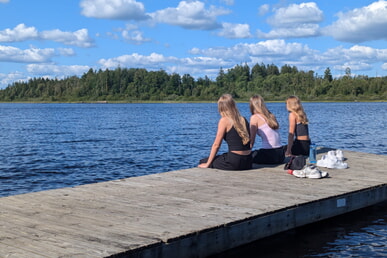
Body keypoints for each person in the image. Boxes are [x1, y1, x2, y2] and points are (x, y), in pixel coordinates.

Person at [198, 94, 252, 170]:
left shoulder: (224, 120)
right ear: (233, 105)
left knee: (203, 161)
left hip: (235, 162)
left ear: (221, 107)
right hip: (248, 161)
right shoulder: (243, 119)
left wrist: (207, 164)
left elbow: (216, 145)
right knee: (221, 157)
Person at [249, 95, 285, 164]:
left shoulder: (254, 118)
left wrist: (246, 154)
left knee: (251, 155)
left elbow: (252, 140)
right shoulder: (271, 116)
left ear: (252, 105)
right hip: (280, 154)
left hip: (269, 154)